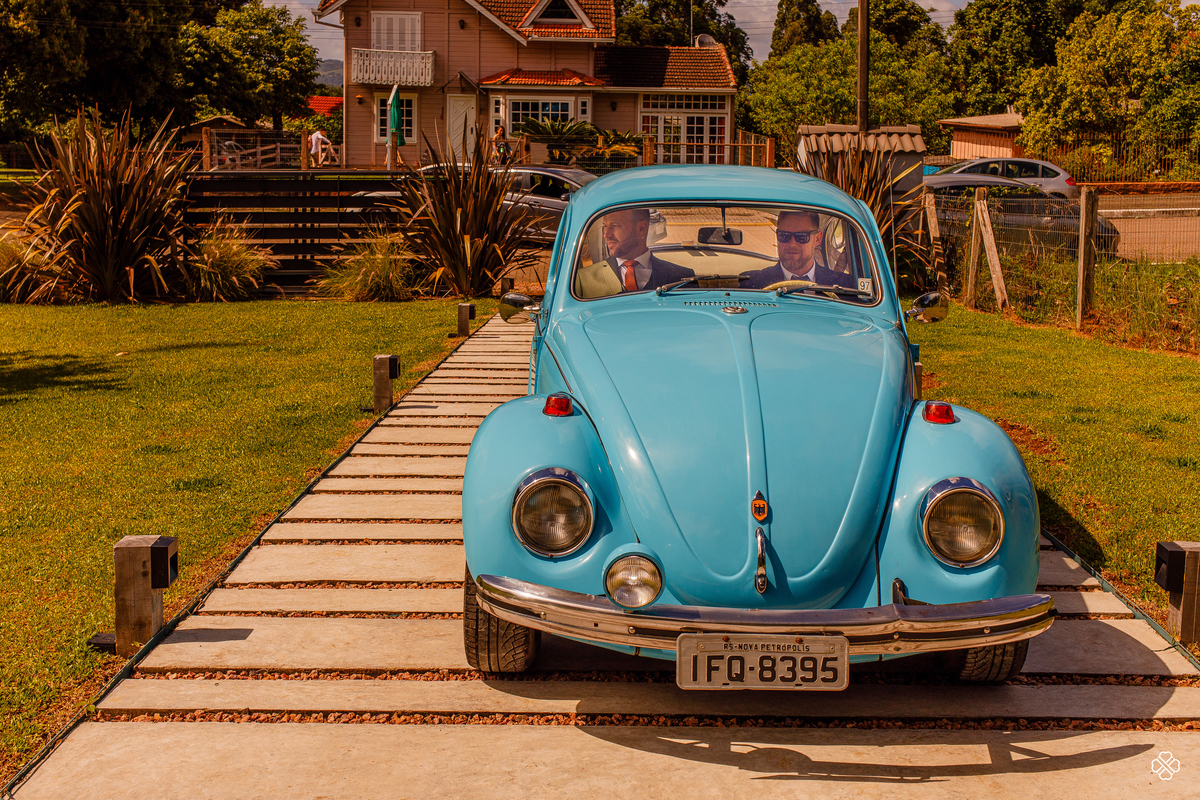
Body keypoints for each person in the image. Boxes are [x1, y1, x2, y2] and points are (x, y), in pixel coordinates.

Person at [741, 209, 856, 290]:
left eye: (801, 237)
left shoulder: (844, 286)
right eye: (784, 236)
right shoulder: (752, 284)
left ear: (817, 238)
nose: (792, 244)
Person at [600, 208, 694, 292]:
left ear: (641, 228)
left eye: (615, 225)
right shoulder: (587, 280)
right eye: (604, 226)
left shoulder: (681, 278)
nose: (606, 234)